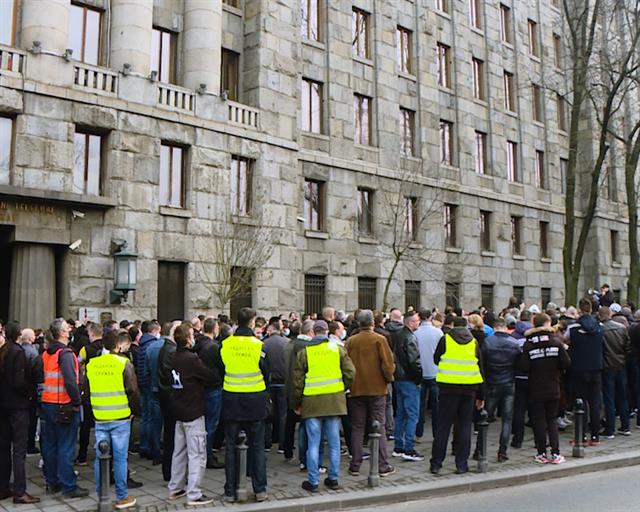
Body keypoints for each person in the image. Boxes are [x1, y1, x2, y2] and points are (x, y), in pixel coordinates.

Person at [293, 320, 355, 492]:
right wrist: (342, 388)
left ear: (313, 332)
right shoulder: (338, 350)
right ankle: (333, 479)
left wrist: (297, 402)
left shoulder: (304, 352)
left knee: (313, 443)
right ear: (327, 332)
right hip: (334, 401)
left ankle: (313, 481)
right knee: (334, 443)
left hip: (312, 402)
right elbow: (351, 372)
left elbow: (297, 381)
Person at [85, 331, 140, 509]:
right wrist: (135, 410)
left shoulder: (92, 364)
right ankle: (122, 495)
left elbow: (86, 390)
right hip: (120, 416)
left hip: (100, 416)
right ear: (117, 345)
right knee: (120, 458)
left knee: (100, 456)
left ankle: (102, 493)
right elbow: (132, 390)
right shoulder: (124, 363)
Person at [220, 308, 269, 503]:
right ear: (251, 322)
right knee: (257, 446)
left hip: (231, 399)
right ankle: (260, 489)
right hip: (255, 401)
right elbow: (267, 372)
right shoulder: (258, 345)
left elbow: (220, 368)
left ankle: (230, 491)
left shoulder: (225, 344)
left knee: (230, 447)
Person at [167, 322, 215, 506]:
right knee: (197, 454)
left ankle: (175, 487)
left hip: (179, 408)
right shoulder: (191, 358)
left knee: (178, 451)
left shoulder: (174, 356)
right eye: (192, 334)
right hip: (193, 410)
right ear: (187, 339)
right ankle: (194, 493)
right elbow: (209, 376)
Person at [40, 318, 88, 498]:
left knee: (50, 445)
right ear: (61, 333)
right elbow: (70, 381)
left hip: (48, 402)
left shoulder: (47, 353)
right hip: (64, 405)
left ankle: (52, 482)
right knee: (66, 446)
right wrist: (77, 401)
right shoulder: (66, 354)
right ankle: (69, 485)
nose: (70, 330)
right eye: (67, 328)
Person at [430, 316, 485, 475]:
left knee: (443, 427)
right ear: (466, 326)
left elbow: (436, 359)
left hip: (448, 389)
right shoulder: (474, 342)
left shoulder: (445, 339)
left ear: (453, 325)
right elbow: (480, 369)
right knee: (464, 427)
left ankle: (436, 464)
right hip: (469, 389)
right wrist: (481, 395)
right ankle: (461, 464)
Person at [345, 310, 395, 477]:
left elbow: (346, 364)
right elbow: (388, 365)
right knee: (378, 426)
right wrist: (388, 379)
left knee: (357, 427)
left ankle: (355, 464)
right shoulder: (379, 340)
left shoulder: (351, 341)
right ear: (372, 322)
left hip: (356, 388)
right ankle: (382, 464)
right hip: (377, 389)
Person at [520, 314, 571, 464]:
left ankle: (541, 452)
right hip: (553, 387)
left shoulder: (529, 345)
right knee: (552, 420)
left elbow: (523, 367)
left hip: (535, 388)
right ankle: (556, 453)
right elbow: (566, 363)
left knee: (539, 421)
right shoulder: (556, 342)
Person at [0, 321, 39, 504]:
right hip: (17, 406)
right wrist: (29, 394)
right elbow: (19, 381)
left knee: (4, 447)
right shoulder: (17, 352)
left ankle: (3, 487)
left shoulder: (4, 350)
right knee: (19, 450)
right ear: (18, 333)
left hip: (4, 404)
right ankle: (20, 491)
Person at [481, 318, 521, 461]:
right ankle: (502, 451)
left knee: (484, 418)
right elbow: (519, 364)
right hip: (509, 383)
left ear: (495, 327)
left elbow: (482, 363)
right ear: (505, 327)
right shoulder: (514, 343)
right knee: (507, 419)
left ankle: (480, 450)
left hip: (492, 383)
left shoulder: (487, 342)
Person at [388, 310, 423, 461]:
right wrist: (418, 379)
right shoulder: (409, 338)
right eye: (416, 321)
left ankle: (398, 445)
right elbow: (414, 361)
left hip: (399, 379)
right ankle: (409, 448)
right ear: (410, 322)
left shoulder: (398, 335)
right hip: (409, 379)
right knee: (412, 415)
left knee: (401, 414)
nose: (418, 323)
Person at [569, 298, 604, 445]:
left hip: (579, 368)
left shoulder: (573, 328)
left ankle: (581, 436)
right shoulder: (600, 326)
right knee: (595, 403)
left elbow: (566, 341)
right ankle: (595, 436)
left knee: (580, 402)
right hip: (596, 367)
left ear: (579, 310)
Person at [193, 317, 224, 468]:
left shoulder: (197, 344)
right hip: (213, 387)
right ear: (214, 329)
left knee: (203, 424)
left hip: (200, 387)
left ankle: (204, 453)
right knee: (211, 424)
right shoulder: (213, 347)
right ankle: (208, 455)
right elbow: (221, 366)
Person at [282, 320, 314, 466]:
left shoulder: (288, 345)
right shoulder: (309, 348)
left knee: (290, 421)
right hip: (303, 389)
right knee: (304, 425)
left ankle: (287, 450)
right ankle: (304, 458)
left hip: (289, 387)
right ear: (310, 331)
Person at [599, 306, 632, 437]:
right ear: (610, 314)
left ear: (601, 316)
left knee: (609, 398)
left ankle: (610, 429)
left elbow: (600, 350)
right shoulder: (622, 328)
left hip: (607, 367)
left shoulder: (601, 330)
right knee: (623, 397)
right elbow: (628, 347)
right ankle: (625, 426)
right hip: (621, 365)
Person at [414, 308, 443, 440]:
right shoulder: (438, 332)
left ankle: (418, 432)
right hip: (435, 371)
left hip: (420, 372)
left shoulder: (415, 333)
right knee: (436, 405)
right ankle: (437, 432)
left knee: (419, 404)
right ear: (431, 317)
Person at [135, 320, 161, 460]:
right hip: (150, 384)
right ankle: (150, 446)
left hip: (142, 383)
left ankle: (144, 445)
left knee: (145, 416)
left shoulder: (142, 344)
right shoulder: (152, 345)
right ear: (155, 331)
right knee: (151, 417)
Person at [262, 316, 289, 453]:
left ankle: (267, 442)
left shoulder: (264, 344)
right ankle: (282, 444)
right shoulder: (287, 343)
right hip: (284, 382)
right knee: (283, 414)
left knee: (268, 412)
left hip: (269, 382)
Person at [19, 328, 40, 455]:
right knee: (32, 420)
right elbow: (37, 373)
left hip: (20, 389)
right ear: (30, 338)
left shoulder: (19, 350)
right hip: (31, 389)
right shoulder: (33, 352)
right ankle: (30, 445)